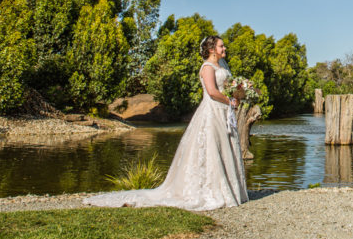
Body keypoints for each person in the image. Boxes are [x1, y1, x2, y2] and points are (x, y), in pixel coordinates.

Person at [84, 35, 248, 211]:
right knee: (210, 149)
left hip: (224, 112)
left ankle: (229, 190)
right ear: (211, 50)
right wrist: (230, 101)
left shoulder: (222, 66)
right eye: (221, 47)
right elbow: (212, 91)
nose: (224, 49)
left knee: (225, 147)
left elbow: (229, 87)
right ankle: (209, 191)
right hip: (211, 112)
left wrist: (240, 93)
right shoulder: (207, 67)